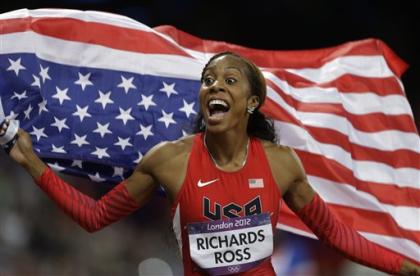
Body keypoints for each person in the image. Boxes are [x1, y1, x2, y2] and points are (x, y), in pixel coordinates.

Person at [1, 52, 419, 276]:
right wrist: (31, 161)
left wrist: (402, 266)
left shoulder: (280, 163)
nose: (215, 85)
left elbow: (336, 235)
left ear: (252, 103)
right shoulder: (170, 160)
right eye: (208, 80)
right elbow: (94, 217)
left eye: (229, 80)